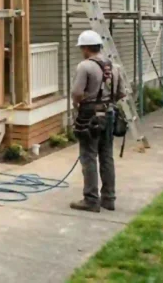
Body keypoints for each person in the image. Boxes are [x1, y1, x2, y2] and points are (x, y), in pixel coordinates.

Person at [70, 30, 119, 213]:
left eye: (81, 48)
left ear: (86, 48)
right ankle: (109, 198)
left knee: (89, 157)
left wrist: (77, 104)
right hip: (109, 114)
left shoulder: (85, 66)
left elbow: (77, 92)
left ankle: (91, 200)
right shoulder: (113, 66)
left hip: (90, 116)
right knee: (107, 156)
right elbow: (121, 92)